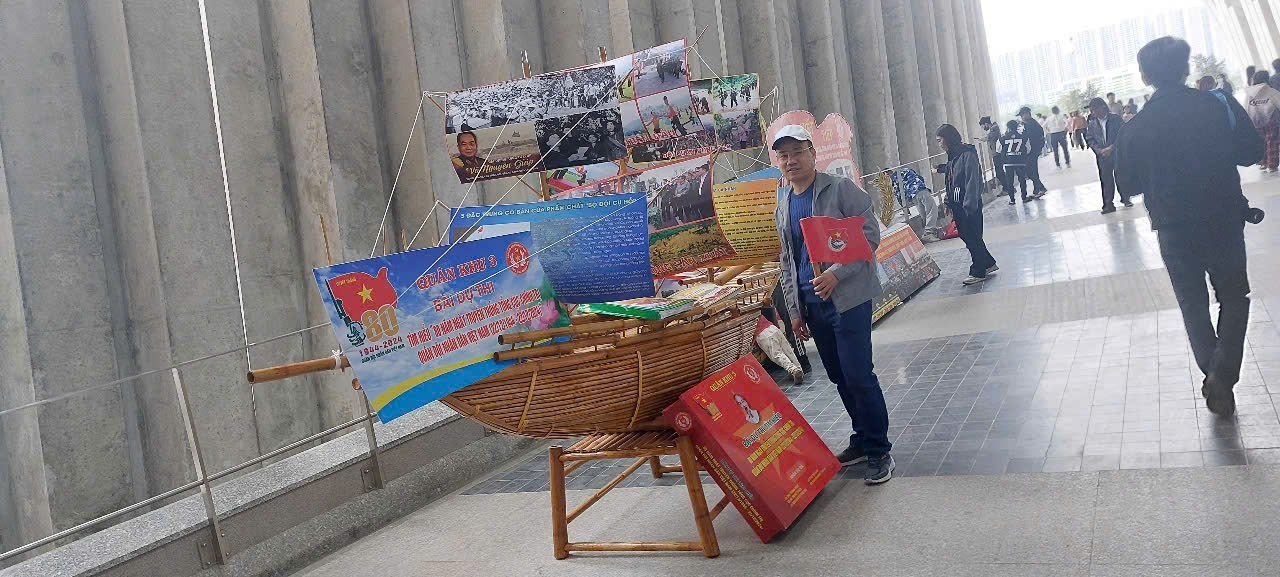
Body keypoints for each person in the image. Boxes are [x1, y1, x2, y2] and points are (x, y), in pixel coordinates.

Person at [1119, 36, 1262, 416]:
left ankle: (1216, 377)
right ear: (1185, 69)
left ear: (1145, 76)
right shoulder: (1217, 104)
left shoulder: (1136, 127)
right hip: (1223, 219)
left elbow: (1127, 185)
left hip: (1173, 228)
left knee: (1192, 305)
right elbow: (1252, 152)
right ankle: (1222, 376)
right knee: (1234, 296)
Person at [771, 124, 895, 484]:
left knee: (858, 374)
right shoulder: (783, 202)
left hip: (848, 299)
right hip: (812, 304)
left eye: (797, 152)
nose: (791, 161)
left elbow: (869, 237)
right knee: (839, 376)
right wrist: (794, 311)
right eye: (784, 155)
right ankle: (862, 439)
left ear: (812, 153)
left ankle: (879, 450)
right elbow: (787, 260)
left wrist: (836, 274)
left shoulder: (840, 189)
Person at [935, 124, 997, 284]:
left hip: (968, 205)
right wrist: (948, 203)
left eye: (940, 140)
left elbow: (972, 180)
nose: (939, 144)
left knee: (972, 237)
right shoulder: (953, 155)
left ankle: (978, 271)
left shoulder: (967, 154)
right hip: (958, 204)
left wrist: (969, 205)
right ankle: (988, 263)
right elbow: (950, 181)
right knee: (968, 236)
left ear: (948, 138)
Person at [1086, 97, 1129, 213]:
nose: (1093, 113)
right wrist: (1099, 150)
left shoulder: (1115, 119)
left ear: (1103, 108)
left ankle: (1126, 198)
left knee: (1121, 176)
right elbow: (1090, 138)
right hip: (1102, 156)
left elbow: (1123, 134)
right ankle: (1108, 204)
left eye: (1094, 110)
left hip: (1116, 153)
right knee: (1105, 180)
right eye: (1091, 111)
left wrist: (1112, 147)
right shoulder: (1092, 123)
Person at [1245, 69, 1280, 173]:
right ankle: (1272, 165)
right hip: (1271, 121)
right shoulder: (1270, 91)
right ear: (1266, 78)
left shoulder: (1249, 93)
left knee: (1261, 142)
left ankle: (1263, 163)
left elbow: (1246, 107)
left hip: (1255, 121)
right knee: (1272, 142)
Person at [998, 119, 1032, 204]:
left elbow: (998, 149)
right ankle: (1024, 197)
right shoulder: (1023, 137)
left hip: (1008, 162)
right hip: (1020, 161)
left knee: (1009, 181)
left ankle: (1012, 199)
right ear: (1017, 127)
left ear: (1008, 127)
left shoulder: (1002, 138)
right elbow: (1028, 149)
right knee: (1022, 179)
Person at [1017, 106, 1048, 195]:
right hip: (1033, 150)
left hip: (1032, 150)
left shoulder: (1031, 124)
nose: (1021, 117)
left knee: (1030, 171)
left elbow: (1027, 137)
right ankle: (1038, 188)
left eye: (1022, 115)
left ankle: (1039, 188)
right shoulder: (1031, 123)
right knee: (1032, 170)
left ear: (1027, 114)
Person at [979, 116, 1005, 191]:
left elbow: (990, 137)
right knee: (999, 172)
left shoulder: (994, 128)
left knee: (999, 172)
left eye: (983, 126)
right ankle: (1007, 188)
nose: (983, 128)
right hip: (996, 152)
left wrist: (984, 139)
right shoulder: (994, 128)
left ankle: (1007, 188)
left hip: (997, 153)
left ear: (986, 124)